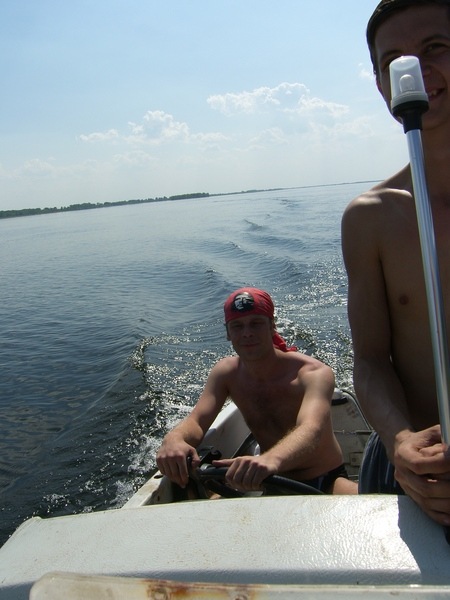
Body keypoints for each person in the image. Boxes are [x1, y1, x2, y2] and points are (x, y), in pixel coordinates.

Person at [342, 0, 450, 525]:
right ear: (383, 86)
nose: (417, 71)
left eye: (435, 48)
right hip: (415, 469)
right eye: (395, 62)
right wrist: (400, 439)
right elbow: (370, 360)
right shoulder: (370, 218)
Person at [156, 287, 356, 495]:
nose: (247, 333)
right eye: (237, 326)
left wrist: (270, 460)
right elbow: (197, 421)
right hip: (268, 480)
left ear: (272, 326)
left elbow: (312, 429)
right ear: (228, 333)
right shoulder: (227, 374)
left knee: (369, 506)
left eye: (256, 323)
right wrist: (174, 438)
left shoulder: (313, 374)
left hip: (322, 479)